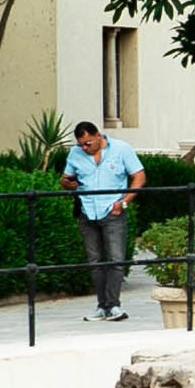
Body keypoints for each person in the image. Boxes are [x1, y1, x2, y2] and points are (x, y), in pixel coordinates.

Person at [61, 119, 144, 321]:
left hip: (112, 210)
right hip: (87, 211)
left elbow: (139, 176)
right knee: (95, 261)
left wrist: (124, 202)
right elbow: (65, 179)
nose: (85, 148)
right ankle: (101, 305)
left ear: (98, 136)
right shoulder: (75, 153)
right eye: (81, 144)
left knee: (116, 259)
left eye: (88, 143)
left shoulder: (121, 149)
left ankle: (114, 305)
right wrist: (68, 184)